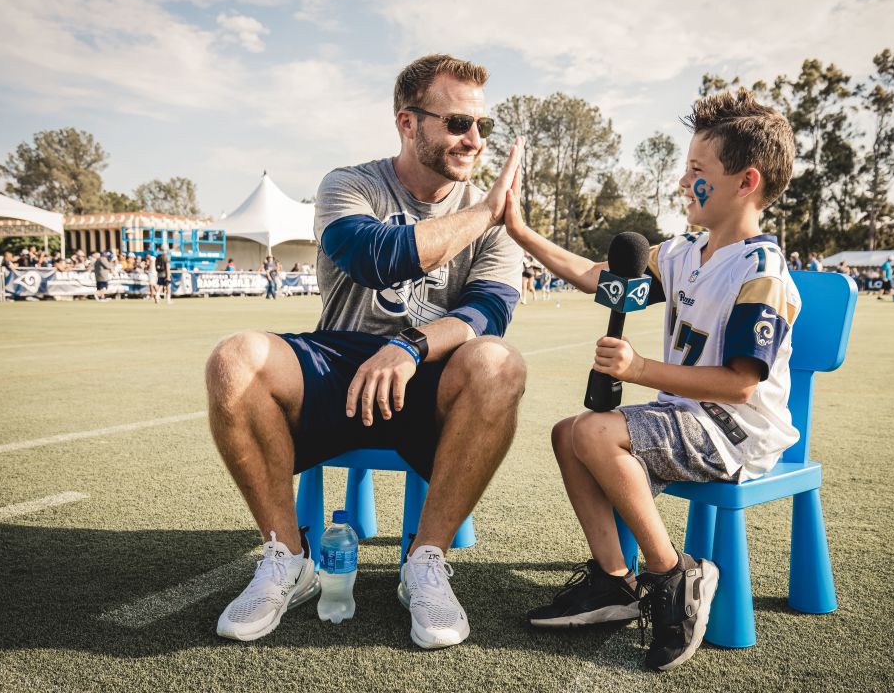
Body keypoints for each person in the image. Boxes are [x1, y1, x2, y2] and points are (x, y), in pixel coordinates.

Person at [206, 54, 526, 650]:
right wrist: (484, 213)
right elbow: (375, 257)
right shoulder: (350, 184)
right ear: (408, 122)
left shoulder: (493, 215)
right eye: (457, 123)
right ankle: (287, 557)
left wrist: (410, 346)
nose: (475, 140)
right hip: (337, 362)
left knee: (499, 362)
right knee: (234, 359)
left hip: (428, 374)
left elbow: (491, 310)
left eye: (482, 126)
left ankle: (424, 562)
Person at [507, 91, 799, 672]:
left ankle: (673, 576)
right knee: (569, 433)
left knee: (592, 433)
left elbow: (741, 384)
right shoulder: (686, 252)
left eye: (698, 172)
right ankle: (615, 583)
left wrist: (638, 369)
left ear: (746, 182)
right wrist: (519, 231)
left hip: (733, 431)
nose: (684, 180)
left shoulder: (760, 272)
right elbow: (598, 277)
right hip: (686, 420)